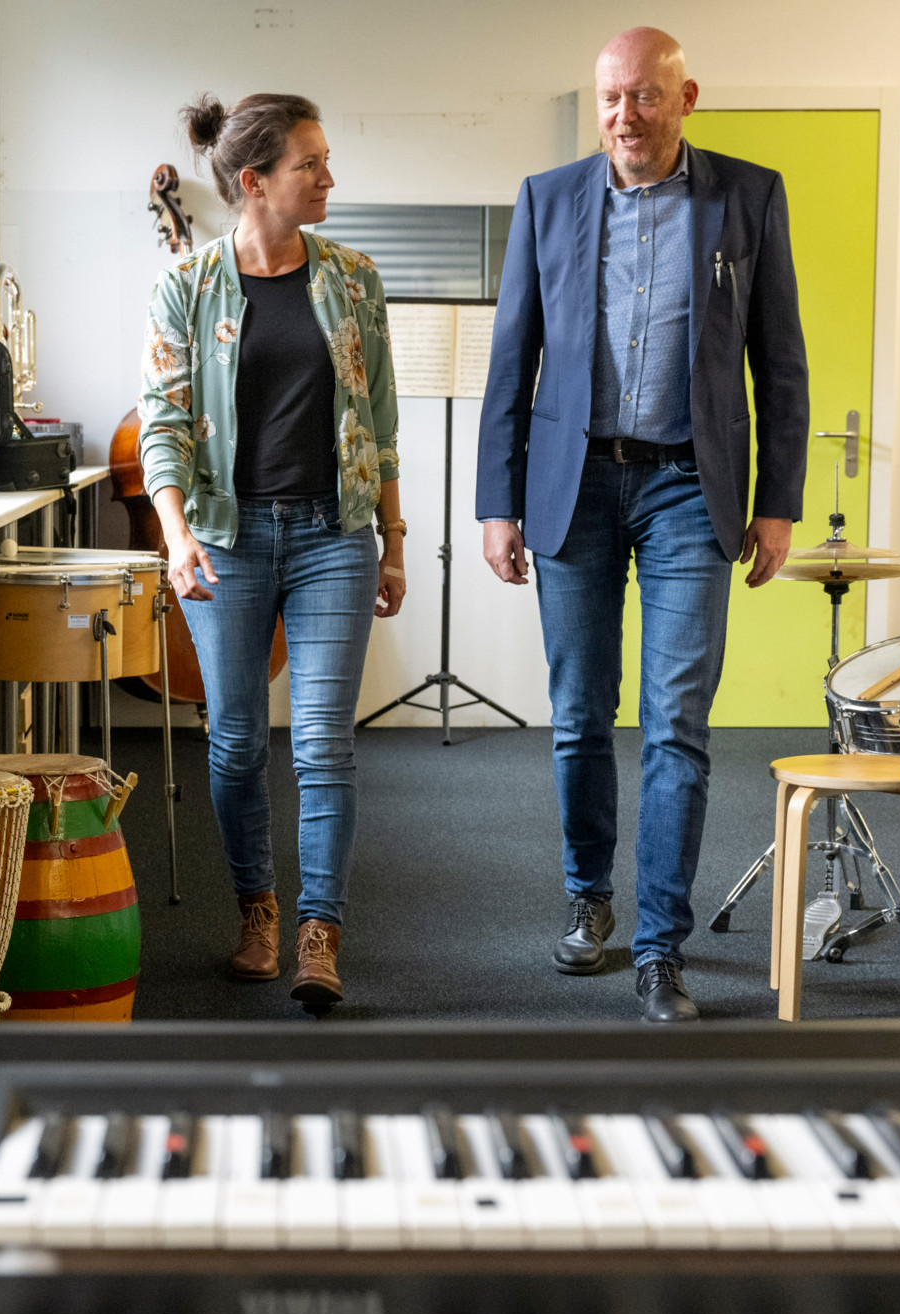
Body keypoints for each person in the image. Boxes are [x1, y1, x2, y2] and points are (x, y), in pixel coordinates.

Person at [475, 28, 808, 1023]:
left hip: (683, 490)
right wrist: (497, 499)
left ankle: (659, 942)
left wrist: (777, 502)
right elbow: (512, 357)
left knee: (675, 723)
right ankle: (589, 901)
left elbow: (777, 360)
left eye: (643, 97)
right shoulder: (549, 198)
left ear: (685, 96)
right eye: (609, 98)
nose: (623, 116)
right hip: (571, 483)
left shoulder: (746, 197)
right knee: (578, 715)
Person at [136, 92, 406, 1011]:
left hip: (335, 535)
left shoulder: (353, 279)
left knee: (324, 742)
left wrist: (395, 538)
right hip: (227, 538)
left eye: (327, 162)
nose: (329, 178)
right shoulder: (187, 285)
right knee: (237, 740)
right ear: (254, 182)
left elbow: (381, 424)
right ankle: (257, 908)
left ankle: (318, 931)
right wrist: (175, 537)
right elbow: (162, 428)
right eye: (311, 164)